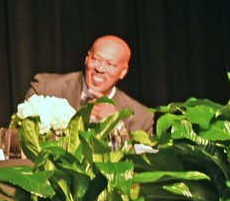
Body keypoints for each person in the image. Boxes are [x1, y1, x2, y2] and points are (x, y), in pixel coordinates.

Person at [26, 35, 154, 134]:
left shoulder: (141, 117)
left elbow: (138, 158)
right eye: (96, 59)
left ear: (123, 72)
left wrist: (116, 126)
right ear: (87, 59)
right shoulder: (46, 88)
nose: (100, 69)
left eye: (110, 64)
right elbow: (16, 139)